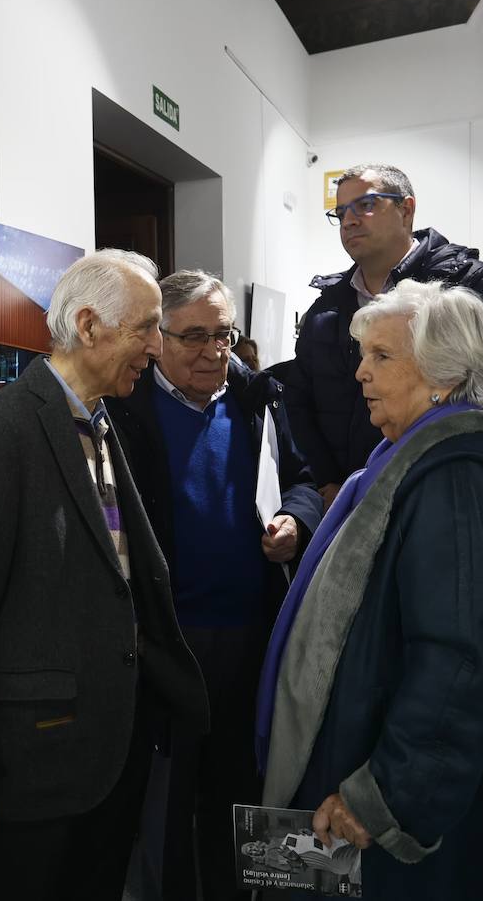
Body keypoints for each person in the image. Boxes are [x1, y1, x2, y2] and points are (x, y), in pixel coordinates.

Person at [256, 279, 483, 900]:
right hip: (361, 734)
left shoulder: (455, 480)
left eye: (381, 357)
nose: (360, 376)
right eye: (362, 356)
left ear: (444, 373)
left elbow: (454, 658)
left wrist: (383, 796)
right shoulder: (406, 457)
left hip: (381, 768)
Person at [0, 249, 208, 900]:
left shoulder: (102, 423)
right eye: (145, 329)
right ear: (88, 324)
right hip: (35, 769)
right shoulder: (3, 430)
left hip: (107, 752)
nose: (157, 349)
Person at [105, 271, 322, 901]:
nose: (212, 351)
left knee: (250, 788)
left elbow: (306, 479)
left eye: (222, 333)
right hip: (168, 642)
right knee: (167, 798)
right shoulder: (124, 410)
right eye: (193, 336)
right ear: (157, 337)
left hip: (254, 634)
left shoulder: (259, 400)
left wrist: (296, 520)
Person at [285, 163, 483, 509]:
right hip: (339, 502)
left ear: (405, 209)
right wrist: (331, 484)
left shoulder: (467, 285)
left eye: (365, 205)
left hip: (435, 492)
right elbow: (299, 404)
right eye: (340, 212)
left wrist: (390, 484)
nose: (349, 220)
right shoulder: (325, 310)